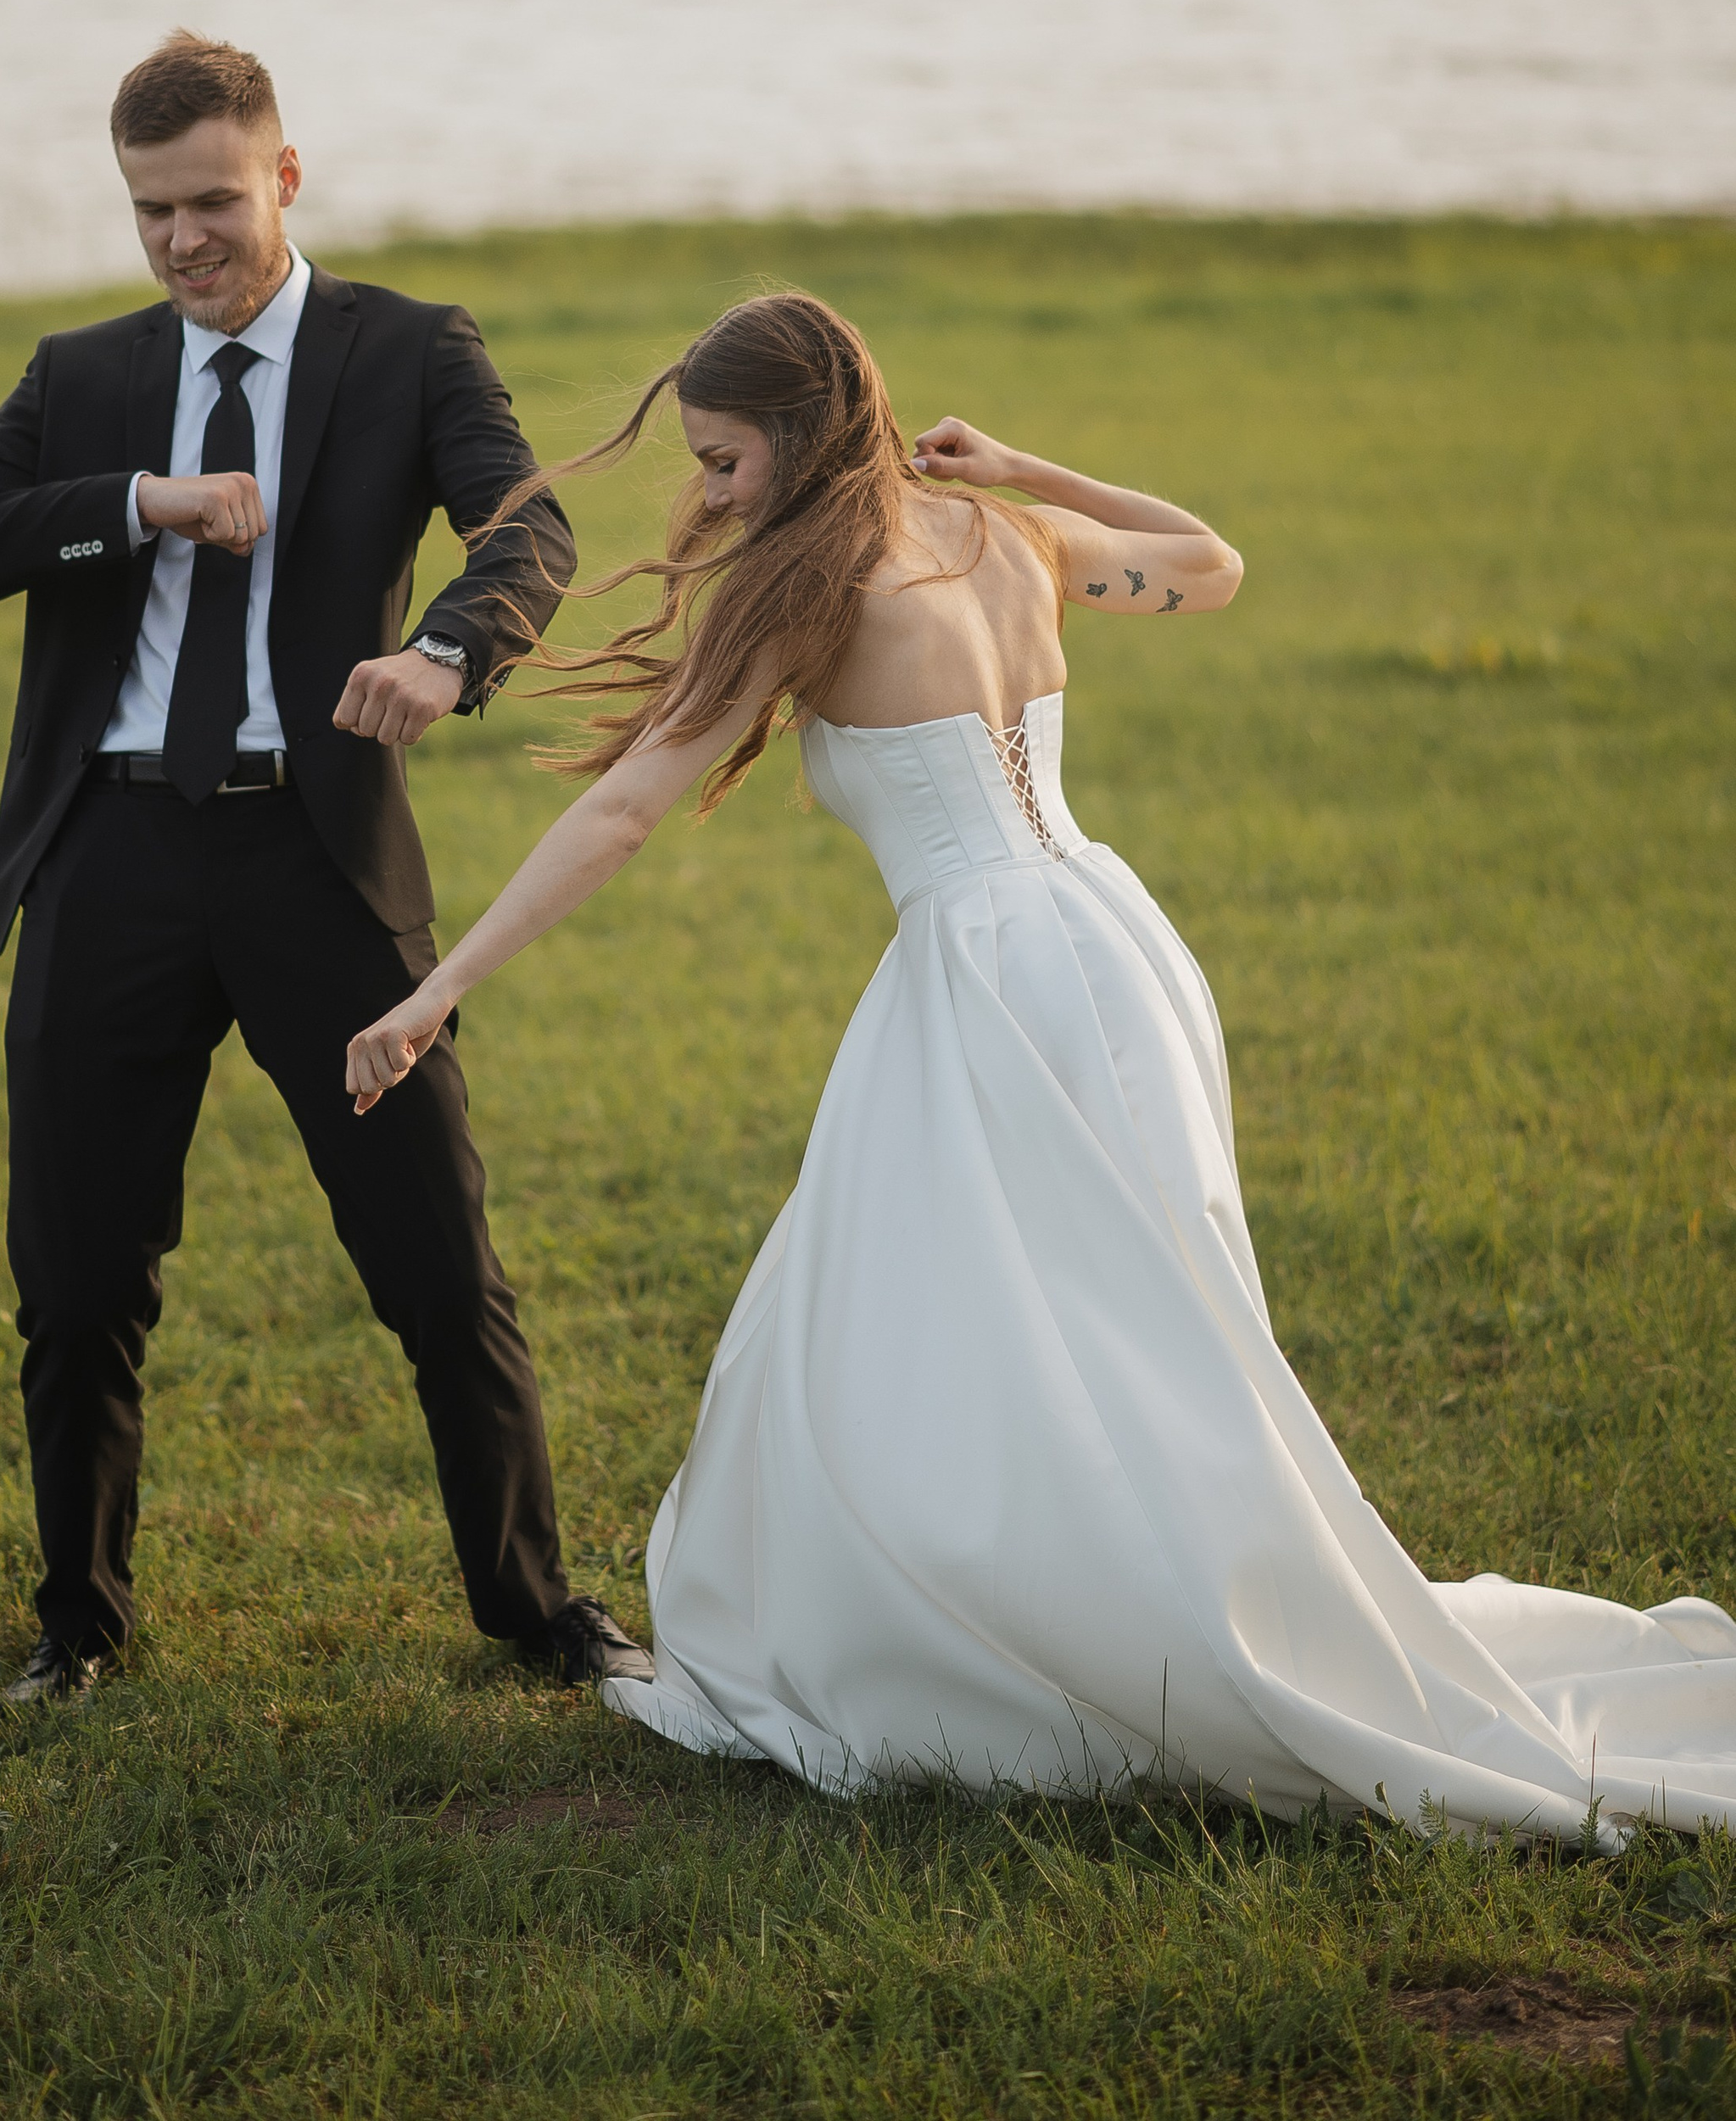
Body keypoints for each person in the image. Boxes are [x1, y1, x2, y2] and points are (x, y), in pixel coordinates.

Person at [343, 290, 1736, 1834]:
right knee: (1124, 1319)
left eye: (726, 459)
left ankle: (1066, 1634)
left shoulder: (804, 591)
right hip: (1113, 947)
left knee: (917, 1317)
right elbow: (1209, 562)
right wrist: (1024, 467)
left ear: (800, 434)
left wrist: (439, 988)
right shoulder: (1001, 531)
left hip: (986, 979)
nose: (712, 494)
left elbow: (621, 811)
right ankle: (1140, 1593)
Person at [0, 30, 650, 1706]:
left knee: (438, 1264)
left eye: (213, 203)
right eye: (150, 211)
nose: (182, 242)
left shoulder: (409, 349)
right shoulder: (83, 378)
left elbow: (529, 528)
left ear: (284, 177)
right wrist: (136, 503)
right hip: (111, 860)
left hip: (317, 859)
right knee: (77, 1281)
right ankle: (78, 1624)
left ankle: (534, 1610)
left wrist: (447, 650)